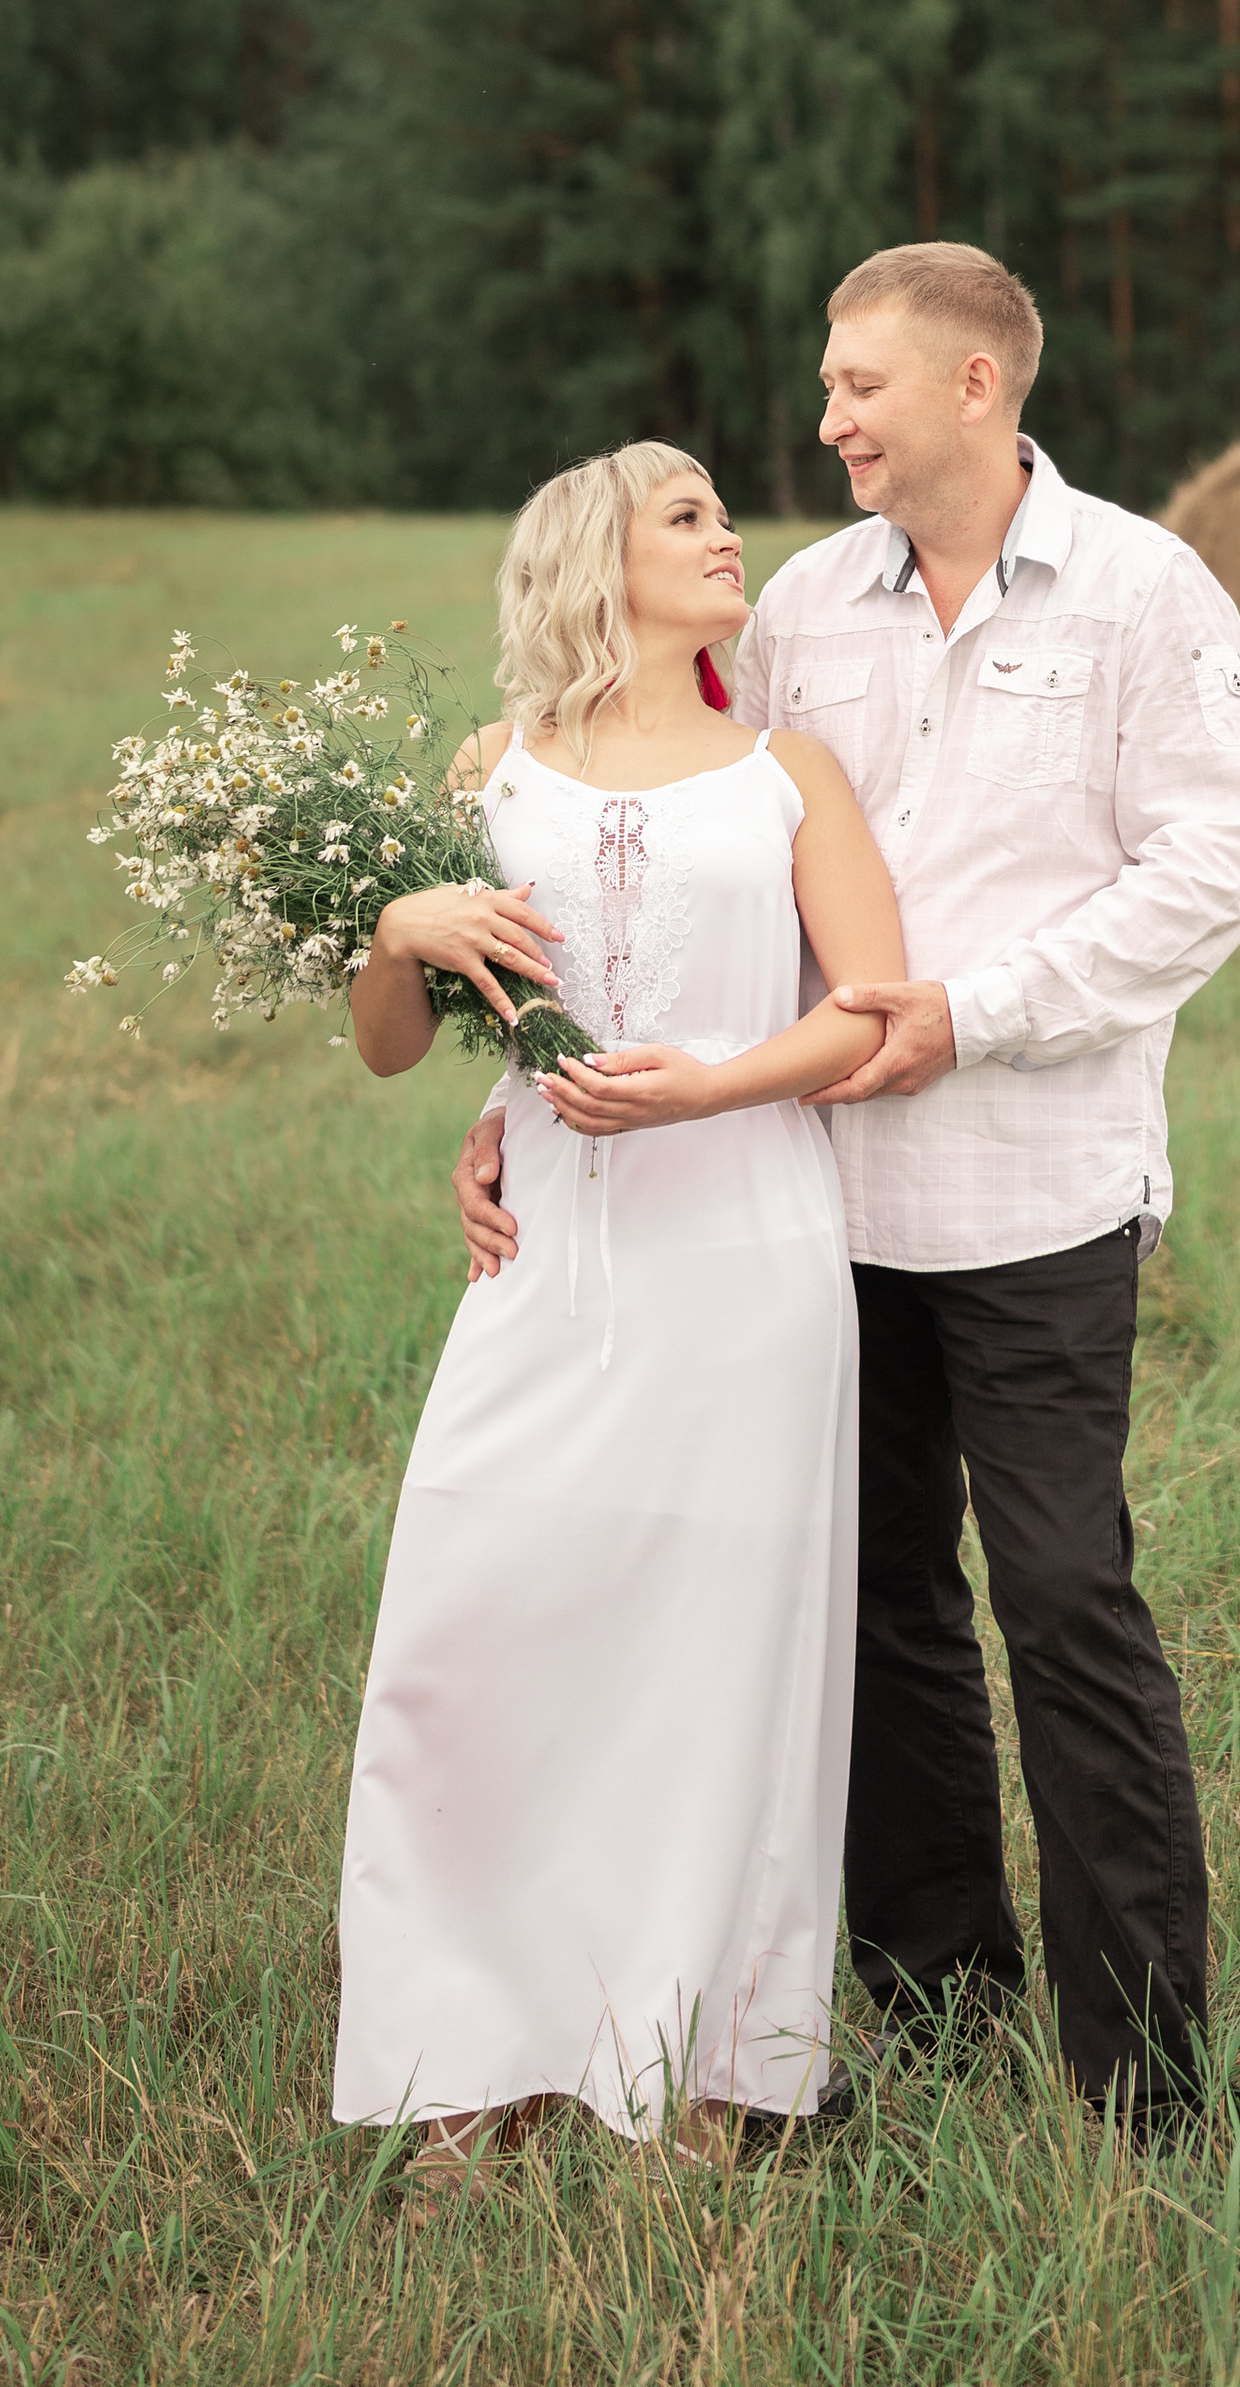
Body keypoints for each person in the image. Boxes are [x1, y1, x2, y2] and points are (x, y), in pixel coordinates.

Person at [505, 244, 1240, 2134]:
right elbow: (703, 862)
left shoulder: (1143, 593)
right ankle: (935, 2005)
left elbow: (1215, 869)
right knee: (875, 1613)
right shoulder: (801, 618)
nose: (825, 418)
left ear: (973, 390)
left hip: (1036, 1193)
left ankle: (1143, 2080)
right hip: (806, 1208)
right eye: (828, 384)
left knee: (1067, 1600)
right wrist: (527, 1089)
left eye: (857, 386)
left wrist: (976, 1014)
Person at [332, 441, 903, 2200]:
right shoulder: (485, 773)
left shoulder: (785, 773)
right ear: (598, 557)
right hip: (544, 1263)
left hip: (749, 1255)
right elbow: (396, 1044)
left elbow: (877, 1011)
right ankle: (466, 2062)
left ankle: (712, 2074)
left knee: (722, 1659)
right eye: (689, 515)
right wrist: (395, 920)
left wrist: (717, 1086)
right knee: (476, 1632)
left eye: (728, 513)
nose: (732, 536)